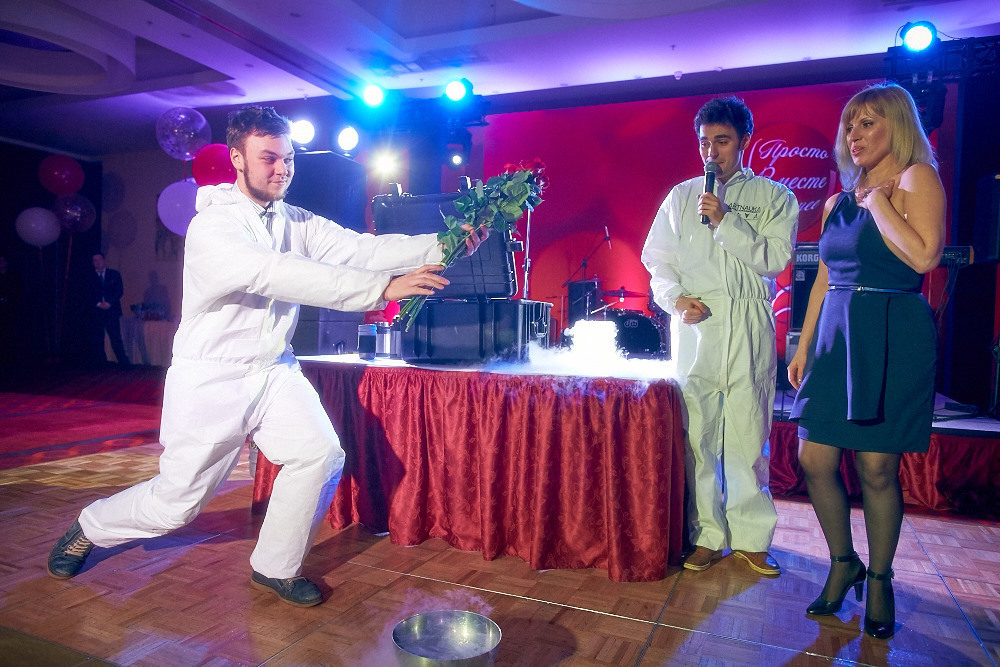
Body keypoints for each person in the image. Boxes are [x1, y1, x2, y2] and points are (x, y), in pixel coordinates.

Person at [47, 106, 488, 607]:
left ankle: (276, 566)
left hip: (274, 369)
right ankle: (90, 526)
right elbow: (274, 273)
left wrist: (443, 244)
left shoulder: (294, 219)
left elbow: (360, 249)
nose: (282, 169)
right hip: (211, 379)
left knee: (319, 455)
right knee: (176, 506)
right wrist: (382, 290)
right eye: (269, 158)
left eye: (289, 158)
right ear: (237, 158)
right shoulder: (213, 227)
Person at [787, 83, 944, 639]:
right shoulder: (837, 201)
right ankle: (843, 561)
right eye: (849, 126)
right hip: (835, 334)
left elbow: (924, 256)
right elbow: (823, 279)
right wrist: (803, 344)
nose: (853, 135)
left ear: (897, 126)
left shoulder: (916, 179)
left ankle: (879, 579)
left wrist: (878, 202)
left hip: (891, 331)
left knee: (877, 467)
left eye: (868, 123)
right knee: (813, 458)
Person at [641, 97, 798, 576]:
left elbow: (774, 259)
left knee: (750, 435)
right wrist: (675, 300)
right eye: (704, 142)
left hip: (749, 319)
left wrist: (726, 220)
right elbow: (657, 261)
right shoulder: (681, 196)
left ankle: (751, 538)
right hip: (698, 323)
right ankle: (707, 535)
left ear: (745, 140)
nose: (711, 152)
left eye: (722, 141)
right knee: (699, 436)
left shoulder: (774, 196)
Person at [87, 252, 130, 367]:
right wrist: (98, 303)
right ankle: (101, 363)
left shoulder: (114, 274)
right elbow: (87, 292)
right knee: (98, 338)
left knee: (116, 338)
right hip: (97, 312)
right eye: (95, 260)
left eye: (99, 259)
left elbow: (119, 290)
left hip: (111, 311)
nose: (97, 262)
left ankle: (124, 363)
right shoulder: (90, 276)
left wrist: (109, 303)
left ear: (104, 260)